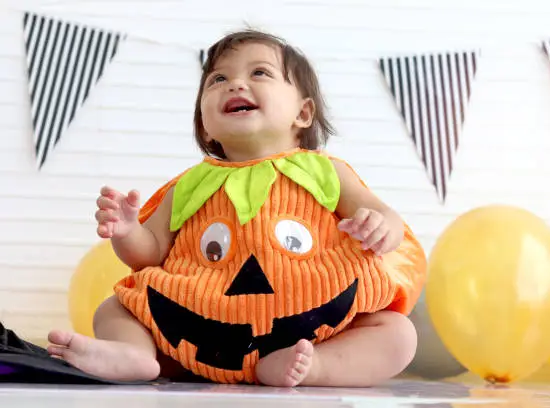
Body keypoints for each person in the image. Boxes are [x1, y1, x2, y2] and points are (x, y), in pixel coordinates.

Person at [46, 29, 427, 387]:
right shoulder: (189, 185)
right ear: (205, 126)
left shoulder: (327, 172)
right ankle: (134, 354)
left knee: (397, 334)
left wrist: (379, 226)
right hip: (205, 307)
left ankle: (316, 365)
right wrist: (128, 232)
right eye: (217, 80)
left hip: (310, 308)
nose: (235, 83)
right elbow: (148, 256)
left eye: (260, 72)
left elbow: (388, 218)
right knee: (115, 307)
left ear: (304, 114)